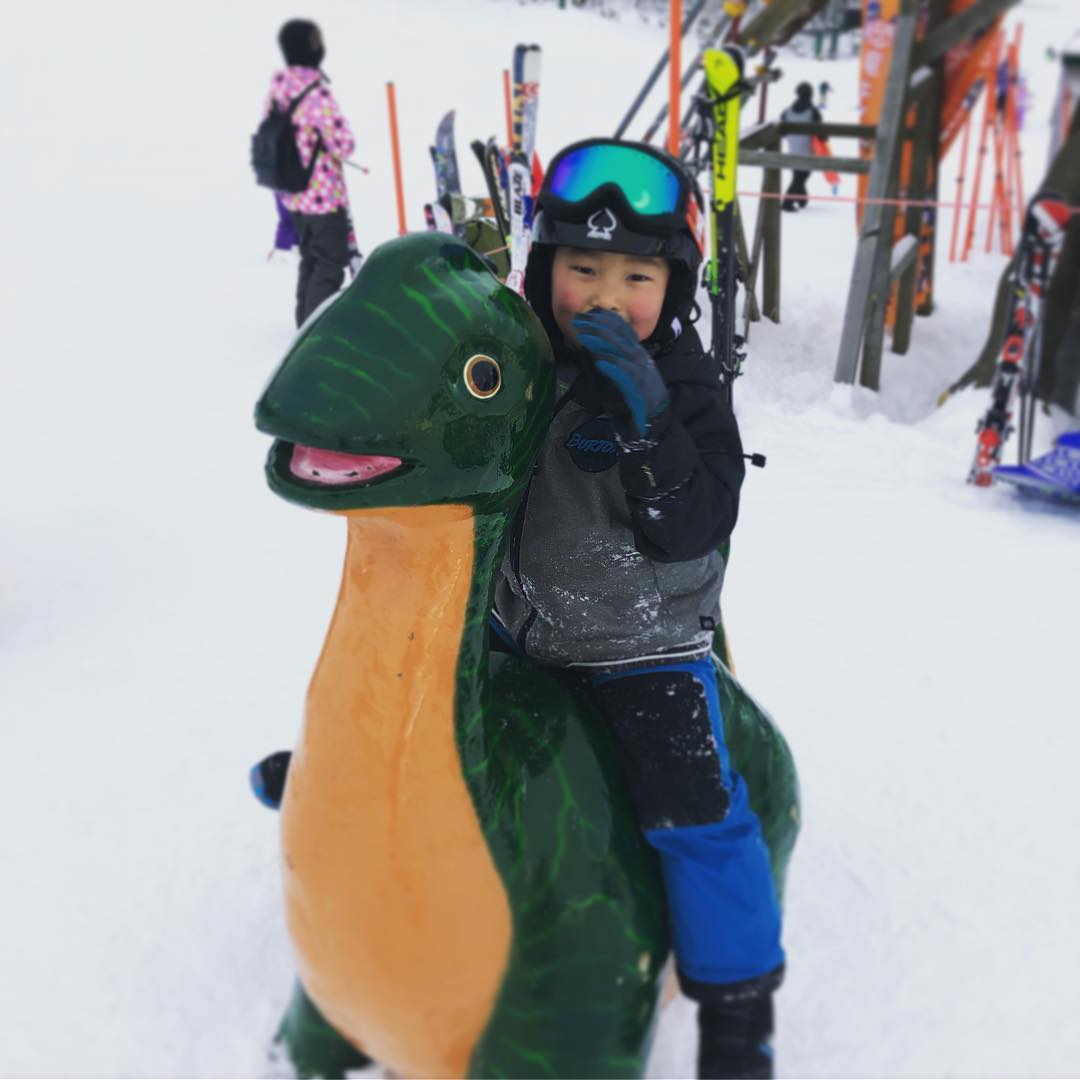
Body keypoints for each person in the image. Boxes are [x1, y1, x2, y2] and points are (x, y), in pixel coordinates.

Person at [491, 138, 785, 1080]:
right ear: (545, 273)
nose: (606, 295)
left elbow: (694, 525)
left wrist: (651, 422)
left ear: (676, 286)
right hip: (519, 625)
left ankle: (739, 1007)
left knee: (693, 812)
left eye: (635, 275)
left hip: (640, 643)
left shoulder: (687, 386)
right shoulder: (528, 359)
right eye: (581, 268)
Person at [263, 20, 359, 326]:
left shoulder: (279, 88)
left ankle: (303, 322)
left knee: (310, 259)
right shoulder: (316, 95)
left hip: (293, 195)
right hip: (323, 197)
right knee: (330, 263)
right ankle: (315, 329)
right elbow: (343, 143)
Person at [780, 82, 823, 211]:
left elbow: (782, 131)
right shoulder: (813, 111)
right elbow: (821, 132)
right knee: (802, 176)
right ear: (811, 94)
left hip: (792, 147)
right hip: (807, 149)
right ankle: (787, 203)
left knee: (798, 175)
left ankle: (802, 199)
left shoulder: (787, 111)